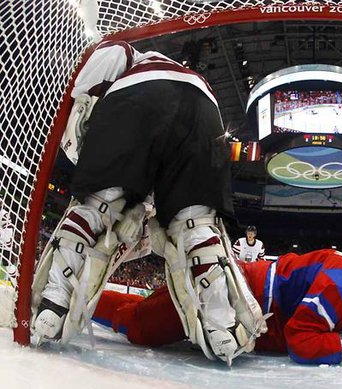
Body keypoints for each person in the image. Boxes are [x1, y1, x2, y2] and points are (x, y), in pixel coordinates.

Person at [30, 40, 265, 364]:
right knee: (195, 227)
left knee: (98, 207)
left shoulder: (122, 54)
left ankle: (52, 304)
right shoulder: (189, 76)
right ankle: (221, 325)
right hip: (205, 107)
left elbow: (97, 77)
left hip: (138, 95)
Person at [92, 229, 342, 366]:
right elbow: (300, 341)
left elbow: (312, 318)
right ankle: (57, 302)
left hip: (229, 290)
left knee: (140, 311)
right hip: (227, 301)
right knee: (138, 326)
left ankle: (75, 301)